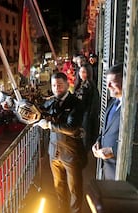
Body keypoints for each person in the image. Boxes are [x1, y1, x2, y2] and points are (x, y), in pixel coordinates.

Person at [36, 72, 85, 213]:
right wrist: (14, 107)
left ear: (67, 85)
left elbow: (72, 128)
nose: (56, 88)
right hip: (54, 152)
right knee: (59, 187)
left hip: (71, 152)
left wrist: (49, 125)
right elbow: (36, 112)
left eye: (59, 85)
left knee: (75, 188)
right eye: (53, 85)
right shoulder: (51, 101)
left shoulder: (76, 103)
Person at [92, 63, 123, 180]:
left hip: (121, 171)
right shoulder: (112, 103)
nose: (108, 86)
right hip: (107, 168)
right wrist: (99, 141)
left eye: (113, 82)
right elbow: (105, 130)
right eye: (107, 82)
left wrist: (113, 150)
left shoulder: (132, 108)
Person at [74, 63, 100, 152]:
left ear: (89, 73)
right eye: (80, 72)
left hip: (86, 113)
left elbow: (93, 102)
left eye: (84, 72)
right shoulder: (81, 83)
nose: (82, 74)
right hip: (80, 113)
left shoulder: (90, 85)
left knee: (85, 134)